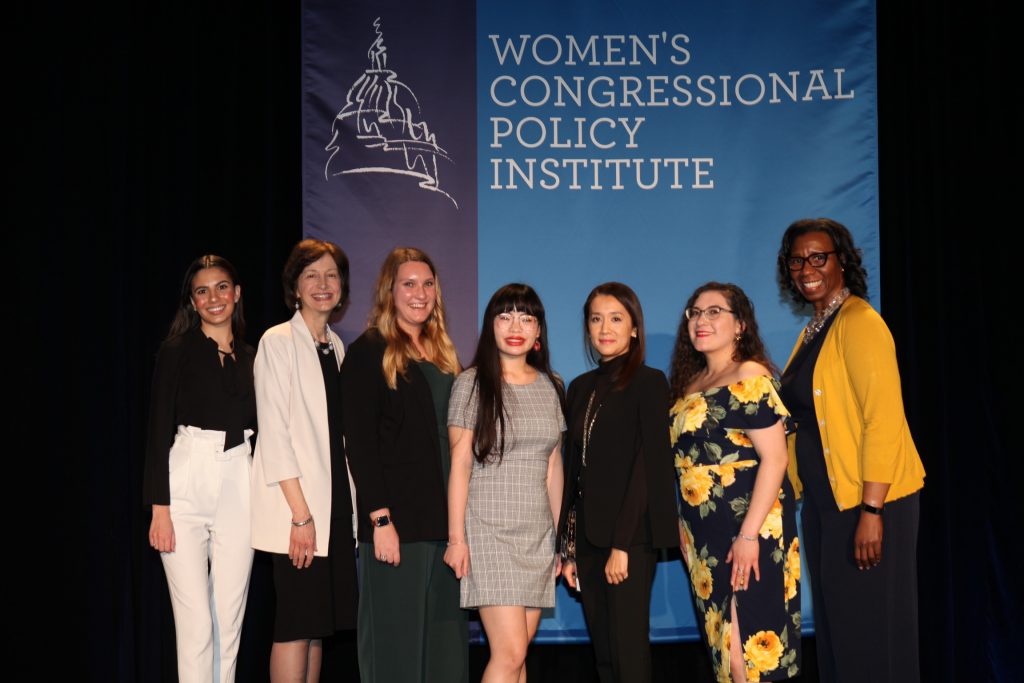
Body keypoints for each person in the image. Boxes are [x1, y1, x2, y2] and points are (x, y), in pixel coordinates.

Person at [776, 218, 925, 683]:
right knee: (839, 639)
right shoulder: (814, 330)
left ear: (842, 261)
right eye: (797, 261)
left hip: (868, 503)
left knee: (870, 639)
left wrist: (871, 510)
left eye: (818, 257)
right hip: (827, 505)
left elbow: (883, 420)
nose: (807, 269)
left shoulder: (859, 323)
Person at [340, 247, 469, 683]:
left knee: (445, 657)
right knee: (395, 654)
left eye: (428, 284)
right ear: (388, 291)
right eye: (409, 284)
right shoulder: (368, 351)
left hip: (447, 529)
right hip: (396, 528)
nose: (420, 293)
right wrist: (380, 520)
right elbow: (360, 444)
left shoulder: (445, 354)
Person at [669, 282, 800, 683]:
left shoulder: (749, 374)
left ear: (740, 325)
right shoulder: (690, 384)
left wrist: (747, 535)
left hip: (748, 526)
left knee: (749, 653)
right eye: (695, 312)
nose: (701, 320)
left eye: (714, 311)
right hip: (704, 533)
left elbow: (775, 458)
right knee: (724, 653)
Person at [143, 254, 256, 683]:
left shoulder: (254, 355)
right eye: (202, 291)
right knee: (195, 625)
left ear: (237, 293)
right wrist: (160, 507)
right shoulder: (176, 351)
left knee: (229, 620)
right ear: (193, 301)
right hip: (186, 477)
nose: (214, 298)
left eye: (222, 287)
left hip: (239, 476)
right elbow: (157, 431)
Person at [558, 282, 678, 683]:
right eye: (596, 319)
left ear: (634, 328)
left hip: (629, 541)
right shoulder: (580, 387)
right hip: (587, 541)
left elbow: (648, 468)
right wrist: (569, 549)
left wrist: (622, 545)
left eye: (615, 318)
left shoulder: (649, 382)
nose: (604, 328)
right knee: (605, 657)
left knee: (629, 655)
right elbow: (575, 472)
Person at [445, 284, 565, 683]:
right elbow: (460, 464)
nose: (516, 327)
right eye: (505, 316)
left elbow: (553, 466)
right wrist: (456, 539)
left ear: (538, 331)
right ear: (490, 326)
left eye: (526, 318)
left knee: (518, 655)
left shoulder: (551, 385)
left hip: (537, 536)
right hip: (489, 532)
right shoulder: (471, 383)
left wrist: (560, 541)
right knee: (510, 652)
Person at [250, 239, 358, 683]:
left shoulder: (337, 346)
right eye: (311, 275)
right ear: (295, 286)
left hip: (333, 509)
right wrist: (300, 516)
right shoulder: (277, 342)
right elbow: (274, 435)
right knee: (295, 626)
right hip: (298, 511)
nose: (322, 284)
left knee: (316, 629)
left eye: (331, 275)